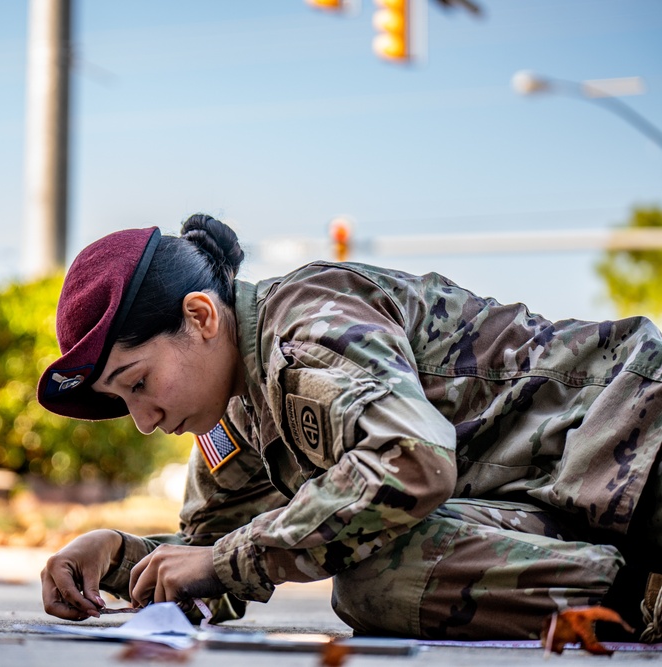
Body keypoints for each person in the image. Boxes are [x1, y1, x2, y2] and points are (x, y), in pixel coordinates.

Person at [36, 214, 662, 641]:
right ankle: (639, 595)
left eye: (138, 383)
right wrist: (115, 557)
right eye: (122, 401)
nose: (143, 422)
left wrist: (228, 560)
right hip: (579, 506)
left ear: (200, 316)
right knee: (377, 574)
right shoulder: (237, 410)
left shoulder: (306, 322)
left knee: (374, 571)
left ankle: (642, 594)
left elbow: (412, 459)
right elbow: (209, 563)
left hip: (633, 439)